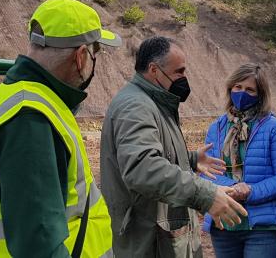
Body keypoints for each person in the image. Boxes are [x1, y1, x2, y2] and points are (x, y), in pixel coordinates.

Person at [0, 0, 119, 257]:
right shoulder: (30, 119)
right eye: (95, 54)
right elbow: (40, 246)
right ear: (81, 57)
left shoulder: (29, 100)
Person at [100, 36, 247, 257]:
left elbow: (151, 155)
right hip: (150, 242)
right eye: (179, 72)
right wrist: (206, 194)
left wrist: (190, 159)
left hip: (160, 239)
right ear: (154, 70)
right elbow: (143, 169)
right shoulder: (136, 106)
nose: (184, 78)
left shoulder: (154, 102)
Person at [199, 63, 276, 258]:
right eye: (238, 87)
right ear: (230, 88)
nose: (242, 93)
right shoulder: (216, 128)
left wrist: (251, 191)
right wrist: (234, 187)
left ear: (260, 94)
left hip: (262, 225)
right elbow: (207, 172)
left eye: (250, 89)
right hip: (224, 221)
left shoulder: (272, 127)